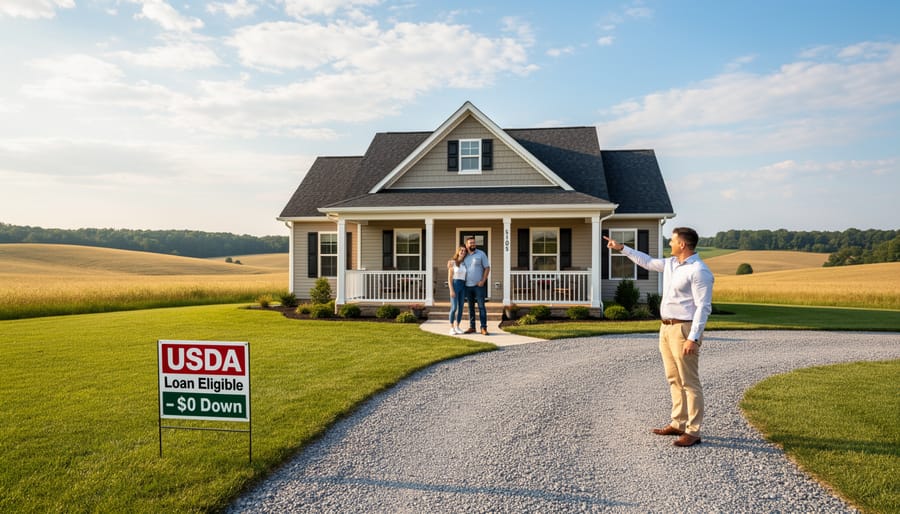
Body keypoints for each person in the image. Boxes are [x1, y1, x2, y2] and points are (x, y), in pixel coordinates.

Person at [604, 227, 714, 447]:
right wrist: (622, 248)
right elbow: (646, 261)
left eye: (672, 240)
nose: (669, 243)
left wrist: (693, 337)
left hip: (684, 329)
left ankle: (693, 430)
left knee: (689, 381)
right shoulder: (671, 264)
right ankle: (678, 422)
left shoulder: (699, 271)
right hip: (666, 328)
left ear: (682, 244)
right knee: (673, 378)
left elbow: (703, 307)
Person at [462, 236, 491, 335]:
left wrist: (483, 280)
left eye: (474, 242)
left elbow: (487, 268)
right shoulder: (464, 255)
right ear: (467, 245)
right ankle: (472, 327)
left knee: (481, 307)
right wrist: (450, 263)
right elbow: (456, 261)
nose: (473, 244)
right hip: (467, 286)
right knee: (470, 307)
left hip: (479, 286)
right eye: (471, 243)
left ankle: (483, 328)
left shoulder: (481, 254)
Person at [447, 246, 468, 335]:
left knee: (461, 308)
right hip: (455, 285)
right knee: (454, 307)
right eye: (461, 250)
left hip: (463, 286)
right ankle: (451, 327)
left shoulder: (465, 263)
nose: (463, 252)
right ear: (458, 252)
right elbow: (450, 278)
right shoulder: (453, 263)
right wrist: (451, 290)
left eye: (464, 251)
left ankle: (457, 326)